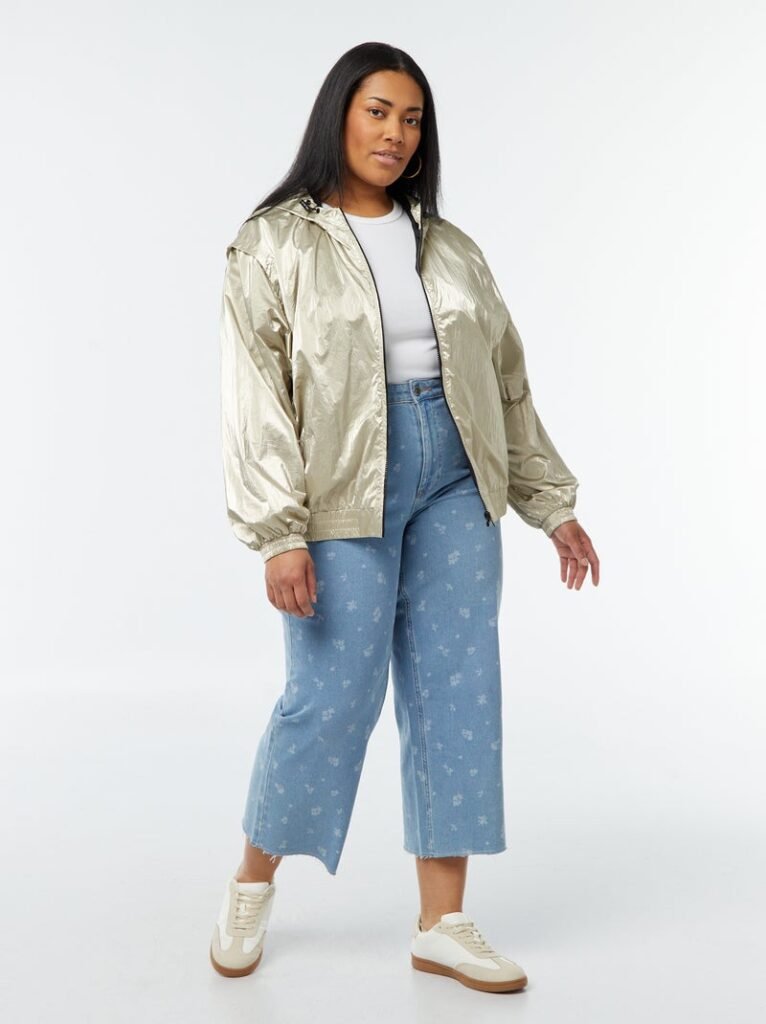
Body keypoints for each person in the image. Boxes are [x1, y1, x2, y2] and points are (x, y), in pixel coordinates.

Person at [209, 41, 599, 993]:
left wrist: (552, 505)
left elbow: (506, 383)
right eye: (378, 111)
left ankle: (443, 923)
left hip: (458, 476)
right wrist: (280, 532)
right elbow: (256, 396)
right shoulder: (273, 242)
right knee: (330, 696)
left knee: (457, 689)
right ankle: (253, 881)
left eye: (412, 119)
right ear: (339, 115)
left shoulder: (449, 247)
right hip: (343, 485)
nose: (395, 133)